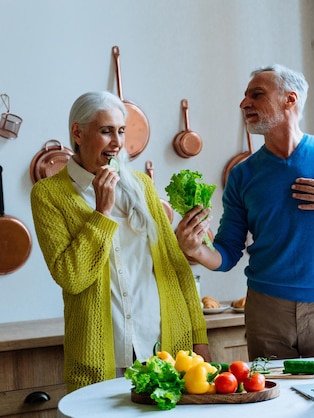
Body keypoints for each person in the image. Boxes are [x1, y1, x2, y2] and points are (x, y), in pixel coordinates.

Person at [175, 64, 314, 360]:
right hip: (267, 312)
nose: (244, 104)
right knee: (271, 402)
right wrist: (196, 249)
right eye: (244, 97)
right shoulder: (243, 175)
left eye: (256, 94)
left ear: (289, 100)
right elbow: (227, 253)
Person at [30, 91, 210, 393]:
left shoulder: (141, 185)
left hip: (163, 344)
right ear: (78, 132)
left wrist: (199, 337)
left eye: (121, 131)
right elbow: (71, 278)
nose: (117, 142)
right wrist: (102, 212)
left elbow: (176, 267)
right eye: (106, 131)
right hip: (102, 352)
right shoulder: (49, 194)